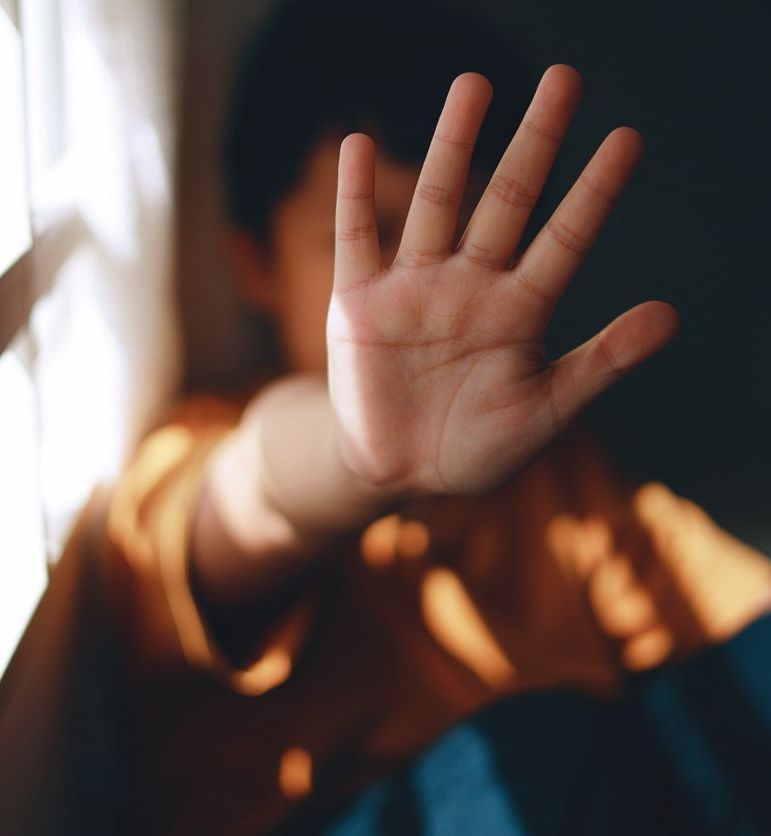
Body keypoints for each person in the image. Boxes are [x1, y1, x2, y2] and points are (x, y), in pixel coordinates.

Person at [104, 1, 771, 833]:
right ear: (253, 262)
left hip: (595, 777)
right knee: (535, 747)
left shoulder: (553, 483)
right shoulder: (204, 443)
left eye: (456, 244)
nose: (422, 299)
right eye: (371, 237)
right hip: (383, 808)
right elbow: (249, 498)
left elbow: (729, 615)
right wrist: (357, 451)